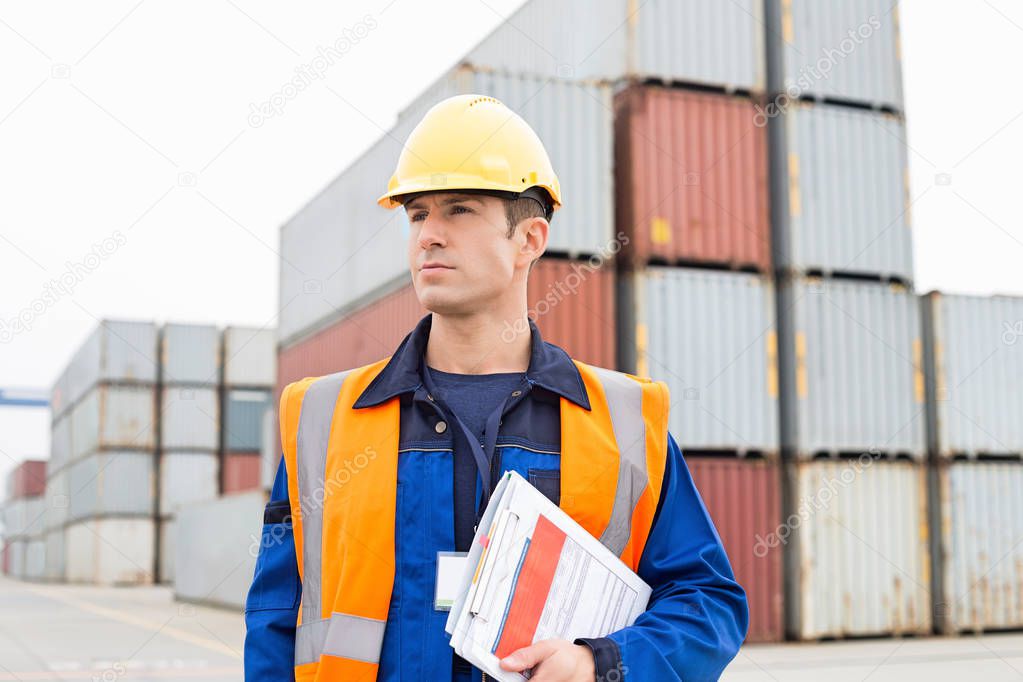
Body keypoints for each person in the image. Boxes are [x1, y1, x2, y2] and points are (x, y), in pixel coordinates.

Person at [244, 94, 748, 681]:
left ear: (530, 240)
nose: (428, 234)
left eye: (458, 210)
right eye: (416, 214)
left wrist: (600, 664)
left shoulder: (623, 422)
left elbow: (707, 603)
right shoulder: (323, 418)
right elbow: (276, 619)